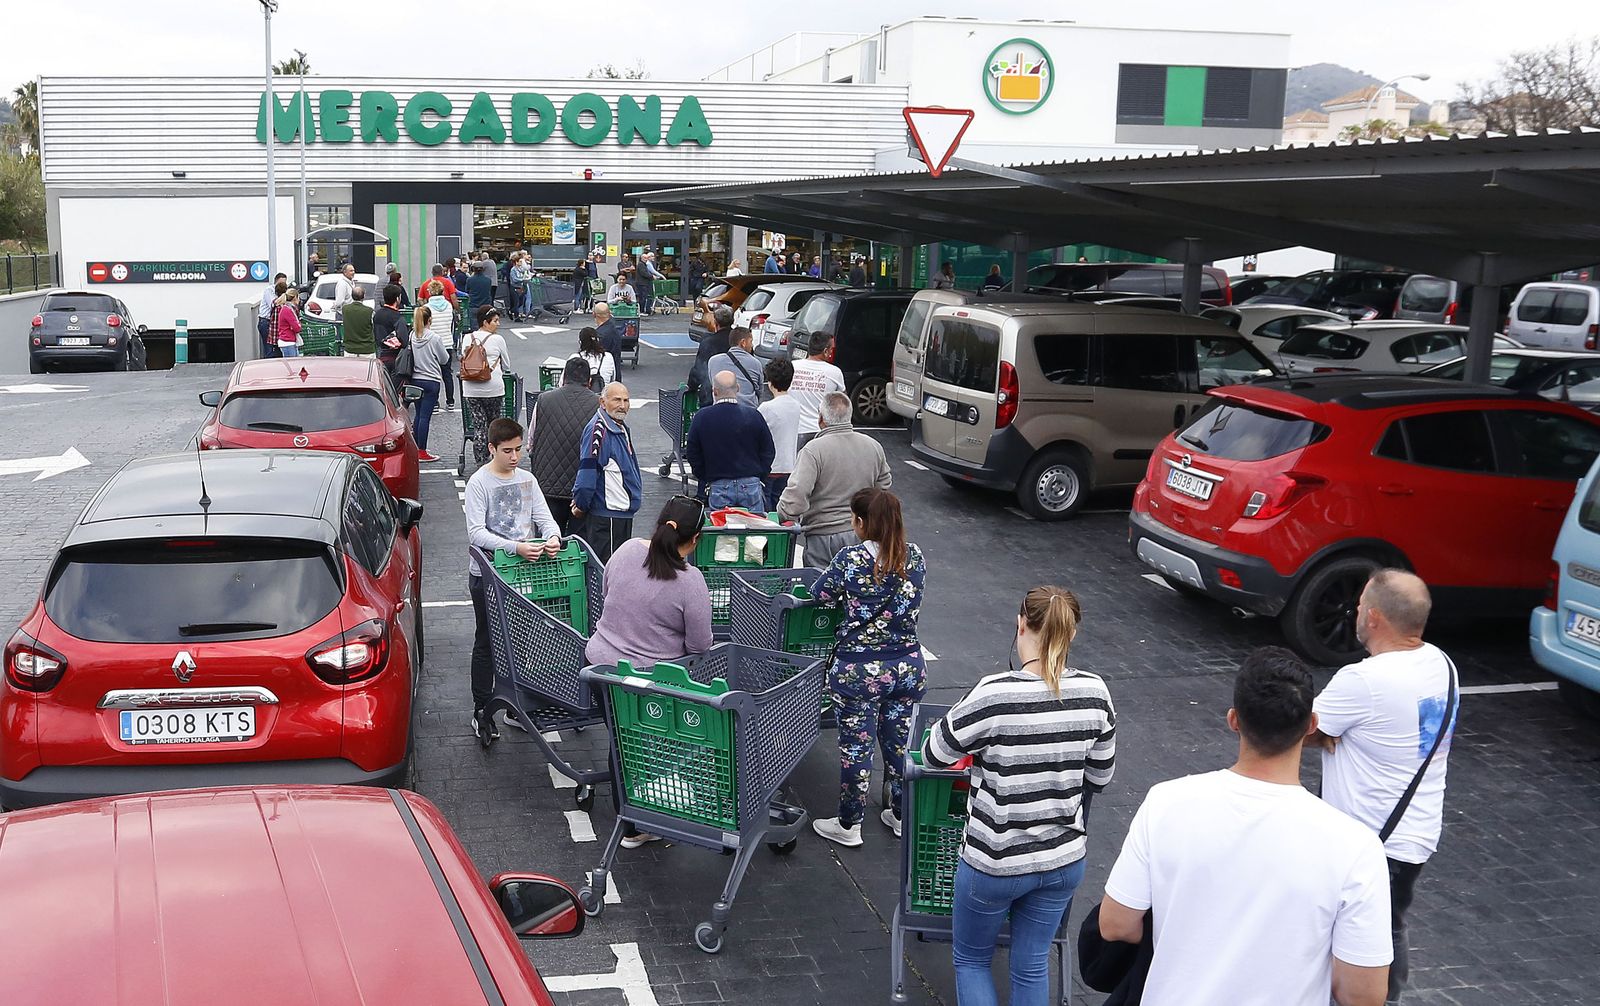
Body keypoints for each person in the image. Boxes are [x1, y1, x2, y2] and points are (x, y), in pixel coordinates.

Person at [1098, 647, 1393, 1006]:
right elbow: (1362, 993)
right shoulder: (1356, 847)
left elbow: (1115, 924)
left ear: (1234, 720)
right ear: (1311, 725)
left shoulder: (1166, 803)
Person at [922, 586, 1116, 1006]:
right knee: (1030, 965)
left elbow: (934, 753)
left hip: (995, 861)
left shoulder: (994, 693)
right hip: (1063, 859)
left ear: (1020, 624)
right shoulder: (1096, 693)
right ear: (1072, 634)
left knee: (972, 961)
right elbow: (1100, 777)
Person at [1308, 570, 1458, 1006]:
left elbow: (1297, 729)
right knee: (1389, 927)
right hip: (1415, 834)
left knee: (1363, 943)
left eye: (1358, 606)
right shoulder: (1441, 664)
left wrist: (1327, 732)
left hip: (1371, 840)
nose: (1354, 612)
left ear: (1373, 617)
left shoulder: (1365, 680)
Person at [810, 488, 927, 847]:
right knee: (900, 744)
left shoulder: (850, 560)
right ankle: (901, 814)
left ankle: (849, 824)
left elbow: (820, 593)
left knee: (857, 748)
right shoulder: (916, 557)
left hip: (858, 672)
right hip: (907, 667)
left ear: (860, 522)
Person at [466, 417, 563, 741]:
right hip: (488, 576)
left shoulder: (528, 480)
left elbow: (545, 519)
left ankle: (515, 705)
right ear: (492, 448)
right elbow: (476, 533)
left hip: (523, 576)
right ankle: (482, 708)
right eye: (507, 450)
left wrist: (552, 538)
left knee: (520, 640)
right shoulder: (480, 483)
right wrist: (516, 547)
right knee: (488, 642)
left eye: (519, 449)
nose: (515, 457)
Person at [779, 391, 892, 566]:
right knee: (858, 587)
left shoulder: (813, 450)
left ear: (821, 419)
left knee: (820, 588)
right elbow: (883, 487)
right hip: (862, 533)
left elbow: (797, 494)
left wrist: (783, 514)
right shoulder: (873, 446)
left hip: (822, 536)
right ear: (849, 416)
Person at [527, 357, 598, 536]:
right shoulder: (599, 404)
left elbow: (531, 443)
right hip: (582, 488)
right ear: (589, 382)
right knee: (578, 545)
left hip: (548, 486)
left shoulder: (543, 400)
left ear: (563, 377)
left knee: (547, 541)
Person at [572, 382, 642, 561]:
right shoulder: (598, 430)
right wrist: (581, 504)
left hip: (620, 516)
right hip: (608, 519)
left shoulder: (619, 426)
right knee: (608, 573)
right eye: (617, 400)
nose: (623, 406)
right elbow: (587, 474)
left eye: (626, 400)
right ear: (602, 402)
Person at [686, 371, 775, 511]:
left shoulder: (702, 417)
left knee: (722, 530)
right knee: (755, 528)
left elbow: (692, 452)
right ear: (738, 388)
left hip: (719, 484)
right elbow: (768, 450)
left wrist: (704, 475)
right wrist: (760, 474)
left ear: (714, 391)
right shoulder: (753, 415)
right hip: (750, 482)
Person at [461, 306, 513, 467]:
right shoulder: (498, 340)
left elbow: (463, 357)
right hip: (493, 388)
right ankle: (493, 456)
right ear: (485, 322)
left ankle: (479, 460)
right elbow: (507, 364)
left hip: (471, 389)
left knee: (479, 424)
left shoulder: (467, 338)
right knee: (493, 424)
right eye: (495, 321)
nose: (498, 324)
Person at [407, 303, 451, 463]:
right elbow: (444, 359)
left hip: (416, 379)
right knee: (426, 416)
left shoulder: (413, 335)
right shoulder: (434, 338)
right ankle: (422, 451)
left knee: (419, 415)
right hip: (431, 380)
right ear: (429, 319)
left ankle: (416, 447)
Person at [788, 331, 847, 449]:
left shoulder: (792, 367)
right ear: (825, 351)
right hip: (821, 432)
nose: (831, 352)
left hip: (794, 431)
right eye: (831, 349)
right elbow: (843, 403)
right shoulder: (835, 372)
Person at [759, 358, 801, 512]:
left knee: (766, 506)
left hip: (770, 467)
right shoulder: (795, 405)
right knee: (780, 504)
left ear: (770, 383)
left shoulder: (766, 408)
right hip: (789, 465)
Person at [687, 303, 734, 407]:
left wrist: (691, 387)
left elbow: (699, 369)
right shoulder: (738, 340)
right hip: (736, 392)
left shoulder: (708, 342)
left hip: (711, 394)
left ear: (715, 322)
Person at [705, 326, 764, 408]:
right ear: (743, 342)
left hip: (720, 409)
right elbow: (760, 390)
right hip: (748, 412)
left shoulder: (713, 361)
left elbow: (713, 384)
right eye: (751, 341)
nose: (752, 345)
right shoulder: (755, 363)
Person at [423, 279, 458, 413]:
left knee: (434, 374)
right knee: (447, 374)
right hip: (447, 342)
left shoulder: (427, 309)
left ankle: (435, 403)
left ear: (430, 292)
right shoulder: (448, 306)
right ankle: (450, 402)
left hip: (432, 344)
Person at [374, 283, 410, 376]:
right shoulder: (398, 318)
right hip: (395, 359)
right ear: (398, 299)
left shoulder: (377, 315)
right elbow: (404, 341)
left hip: (380, 356)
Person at [570, 326, 616, 391]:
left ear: (580, 342)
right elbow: (613, 380)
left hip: (580, 397)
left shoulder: (575, 358)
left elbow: (562, 383)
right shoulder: (608, 357)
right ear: (598, 340)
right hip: (603, 396)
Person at [592, 302, 626, 381]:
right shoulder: (614, 329)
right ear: (609, 313)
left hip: (603, 375)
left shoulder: (599, 335)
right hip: (615, 371)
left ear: (594, 314)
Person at [257, 272, 287, 359]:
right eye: (281, 283)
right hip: (266, 321)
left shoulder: (283, 292)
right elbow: (274, 304)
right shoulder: (269, 290)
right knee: (269, 348)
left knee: (278, 348)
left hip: (276, 323)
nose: (283, 285)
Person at [342, 286, 376, 358]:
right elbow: (374, 327)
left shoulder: (345, 309)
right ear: (363, 296)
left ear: (352, 296)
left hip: (350, 349)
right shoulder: (369, 311)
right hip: (367, 350)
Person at [275, 287, 303, 356]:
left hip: (287, 341)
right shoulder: (288, 310)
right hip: (288, 342)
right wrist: (299, 324)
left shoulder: (286, 308)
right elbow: (297, 328)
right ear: (295, 297)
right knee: (292, 365)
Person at [509, 252, 532, 322]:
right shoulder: (513, 270)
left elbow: (525, 270)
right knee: (517, 302)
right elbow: (514, 279)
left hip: (520, 287)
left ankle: (511, 311)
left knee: (521, 302)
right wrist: (523, 280)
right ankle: (516, 317)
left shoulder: (520, 269)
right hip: (515, 287)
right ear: (516, 262)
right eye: (520, 262)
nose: (521, 263)